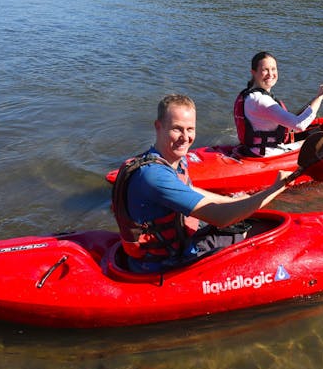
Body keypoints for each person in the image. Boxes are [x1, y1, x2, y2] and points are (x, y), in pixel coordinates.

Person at [114, 94, 291, 273]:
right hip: (163, 263)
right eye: (177, 129)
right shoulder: (154, 176)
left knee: (249, 223)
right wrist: (276, 188)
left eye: (190, 129)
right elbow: (221, 218)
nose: (185, 137)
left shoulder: (172, 160)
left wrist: (234, 201)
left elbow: (191, 190)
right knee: (253, 235)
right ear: (158, 127)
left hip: (178, 244)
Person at [234, 51, 323, 156]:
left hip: (251, 149)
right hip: (266, 154)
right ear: (253, 72)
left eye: (273, 69)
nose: (270, 74)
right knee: (321, 141)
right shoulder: (262, 100)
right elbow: (300, 125)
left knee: (312, 133)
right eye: (265, 70)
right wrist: (319, 97)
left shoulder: (248, 94)